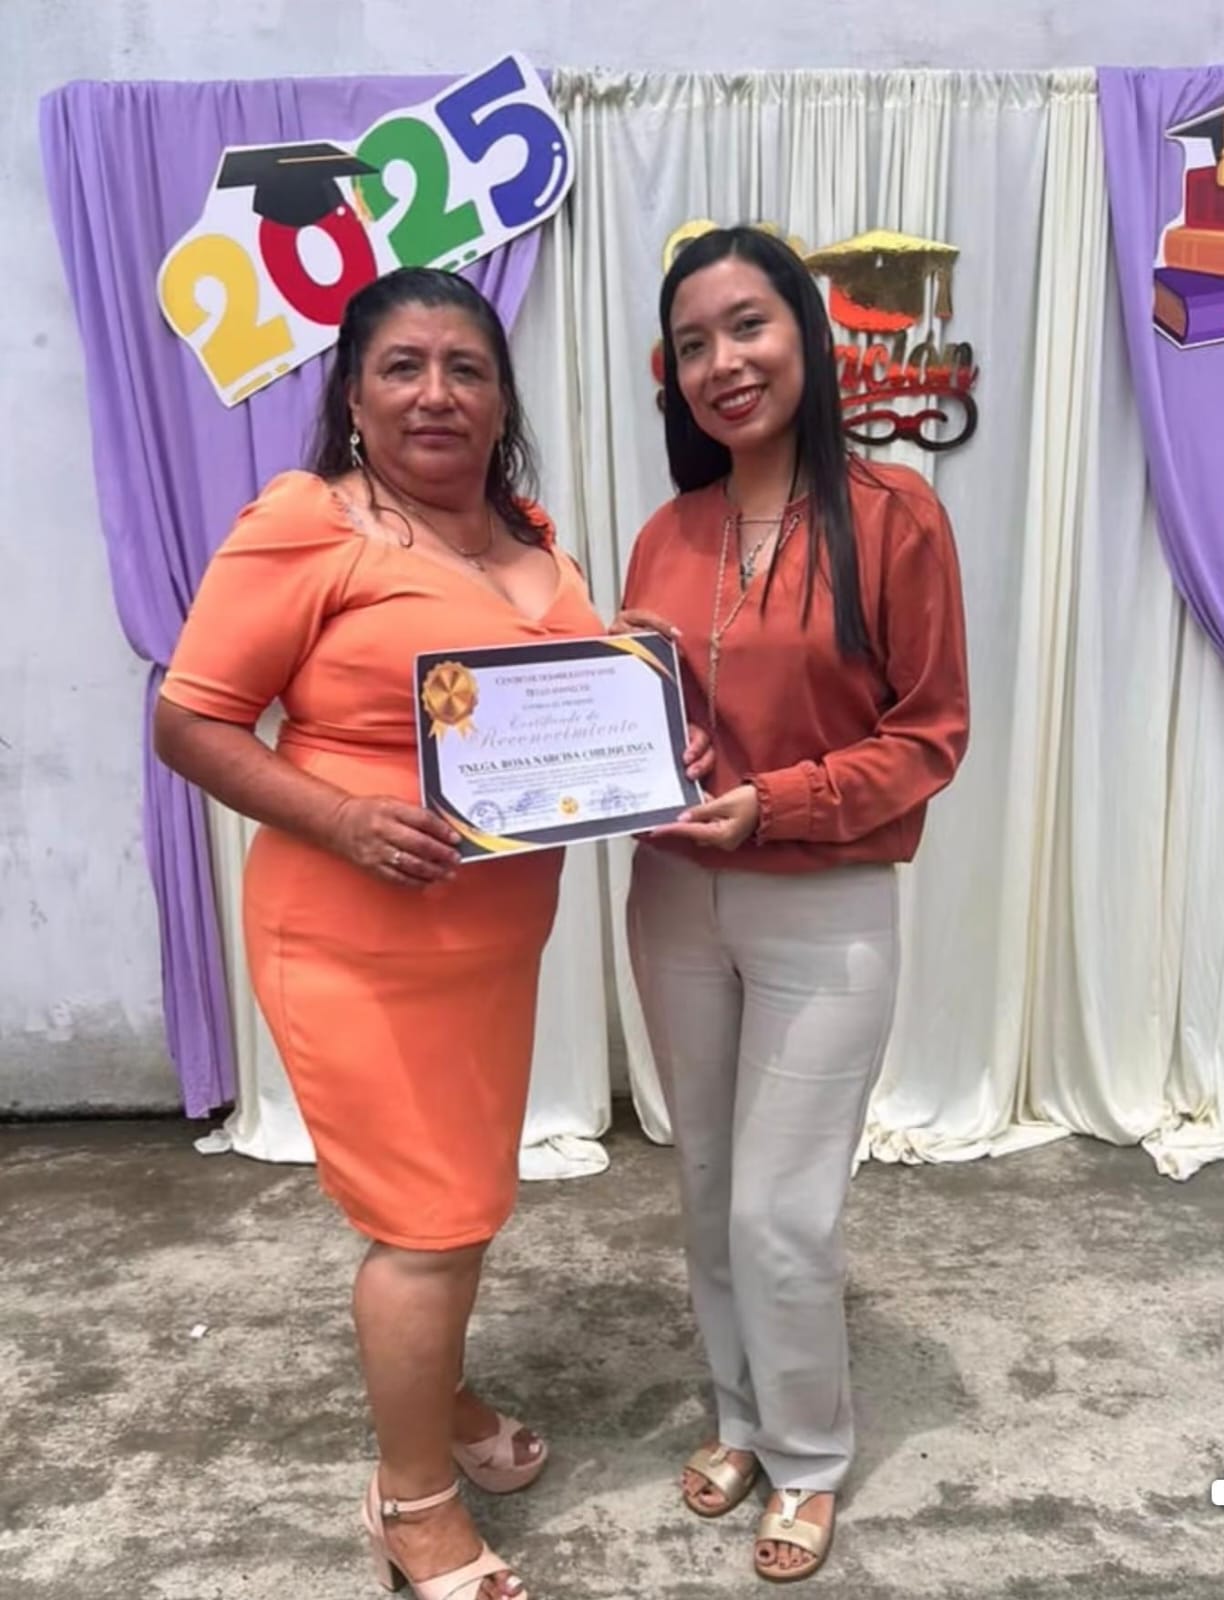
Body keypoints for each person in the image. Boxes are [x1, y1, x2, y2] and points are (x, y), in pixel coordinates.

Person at [156, 266, 707, 1600]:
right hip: (352, 940)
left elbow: (558, 716)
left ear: (502, 400)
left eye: (467, 368)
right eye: (402, 366)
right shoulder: (310, 524)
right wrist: (344, 820)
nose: (436, 393)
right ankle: (412, 1504)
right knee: (429, 1223)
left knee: (465, 1200)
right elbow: (189, 720)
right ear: (352, 396)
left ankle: (438, 1394)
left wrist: (649, 722)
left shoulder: (532, 541)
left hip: (491, 950)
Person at [618, 226, 970, 1583]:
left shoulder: (893, 515)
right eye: (693, 342)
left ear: (807, 338)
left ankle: (811, 1457)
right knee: (710, 1184)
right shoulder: (666, 533)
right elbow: (649, 720)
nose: (724, 361)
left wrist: (776, 801)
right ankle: (741, 1419)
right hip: (673, 896)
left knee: (783, 1211)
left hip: (823, 903)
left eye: (749, 326)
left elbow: (930, 736)